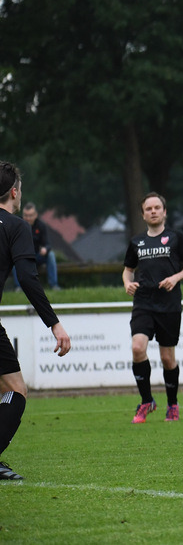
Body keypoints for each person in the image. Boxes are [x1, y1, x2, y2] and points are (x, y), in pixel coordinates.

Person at [0, 162, 71, 480]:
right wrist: (54, 323)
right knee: (15, 390)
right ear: (15, 192)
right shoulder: (16, 227)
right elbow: (28, 278)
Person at [123, 192, 183, 423]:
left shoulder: (177, 237)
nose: (153, 211)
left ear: (164, 212)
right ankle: (146, 401)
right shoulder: (136, 242)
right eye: (148, 209)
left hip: (169, 304)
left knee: (167, 358)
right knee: (137, 348)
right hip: (143, 302)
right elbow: (128, 270)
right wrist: (127, 283)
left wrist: (175, 278)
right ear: (143, 214)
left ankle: (172, 405)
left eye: (157, 208)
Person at [12, 202, 59, 290]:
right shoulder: (18, 224)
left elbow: (48, 244)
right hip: (23, 258)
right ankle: (18, 287)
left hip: (37, 256)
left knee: (51, 255)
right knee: (14, 258)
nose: (28, 218)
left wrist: (45, 249)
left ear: (35, 215)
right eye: (26, 215)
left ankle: (54, 285)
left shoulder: (41, 226)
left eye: (30, 216)